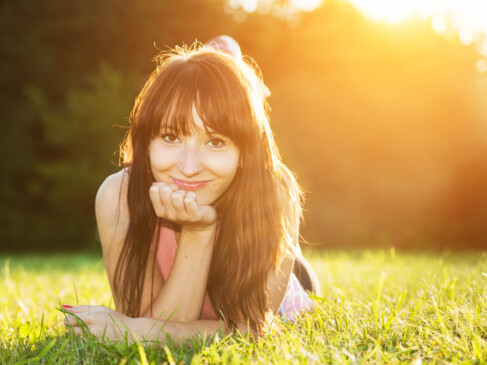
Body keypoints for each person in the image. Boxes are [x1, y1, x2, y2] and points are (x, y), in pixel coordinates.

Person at [63, 42, 320, 342]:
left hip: (288, 289)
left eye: (215, 141)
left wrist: (135, 330)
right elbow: (160, 326)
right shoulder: (117, 197)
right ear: (147, 142)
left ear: (244, 151)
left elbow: (250, 331)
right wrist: (198, 233)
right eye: (171, 136)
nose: (188, 167)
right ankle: (228, 68)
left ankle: (237, 77)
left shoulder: (273, 191)